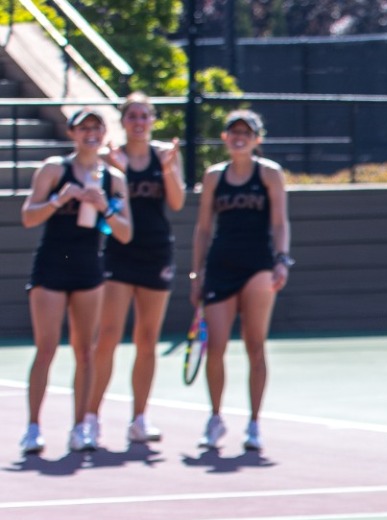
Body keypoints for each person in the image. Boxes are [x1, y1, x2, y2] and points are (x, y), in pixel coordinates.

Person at [18, 107, 131, 456]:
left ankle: (82, 426)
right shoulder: (54, 169)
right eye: (84, 128)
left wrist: (105, 208)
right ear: (73, 133)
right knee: (47, 347)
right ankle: (33, 428)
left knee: (86, 351)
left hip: (88, 268)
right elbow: (28, 217)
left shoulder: (113, 178)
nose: (90, 134)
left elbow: (125, 233)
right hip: (52, 265)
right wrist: (59, 199)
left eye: (97, 128)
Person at [190, 109, 290, 453]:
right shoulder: (215, 177)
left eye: (246, 132)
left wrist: (281, 260)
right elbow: (203, 228)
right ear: (225, 137)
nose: (239, 137)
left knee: (255, 345)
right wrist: (196, 272)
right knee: (215, 347)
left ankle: (254, 423)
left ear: (257, 139)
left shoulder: (269, 175)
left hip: (258, 265)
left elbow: (279, 223)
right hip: (221, 265)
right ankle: (216, 417)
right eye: (234, 132)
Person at [94, 92, 186, 447]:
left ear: (152, 120)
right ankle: (91, 418)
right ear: (123, 120)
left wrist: (167, 168)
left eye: (144, 116)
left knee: (147, 340)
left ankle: (139, 418)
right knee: (108, 337)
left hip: (156, 253)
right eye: (132, 116)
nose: (138, 122)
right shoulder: (109, 158)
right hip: (118, 253)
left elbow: (176, 203)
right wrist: (116, 168)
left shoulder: (164, 155)